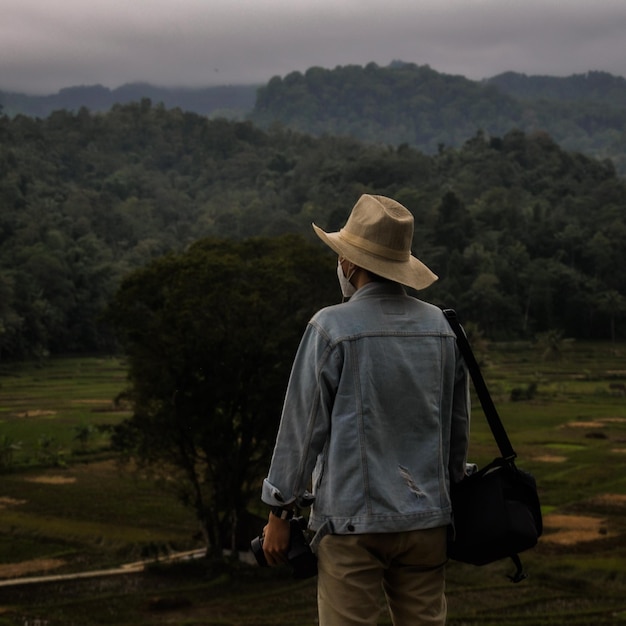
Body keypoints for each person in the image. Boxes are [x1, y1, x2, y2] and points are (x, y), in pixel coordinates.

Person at [260, 194, 470, 625]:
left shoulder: (330, 328)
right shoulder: (444, 329)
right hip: (427, 523)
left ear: (351, 265)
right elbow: (455, 430)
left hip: (353, 525)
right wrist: (446, 494)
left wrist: (279, 513)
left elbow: (302, 432)